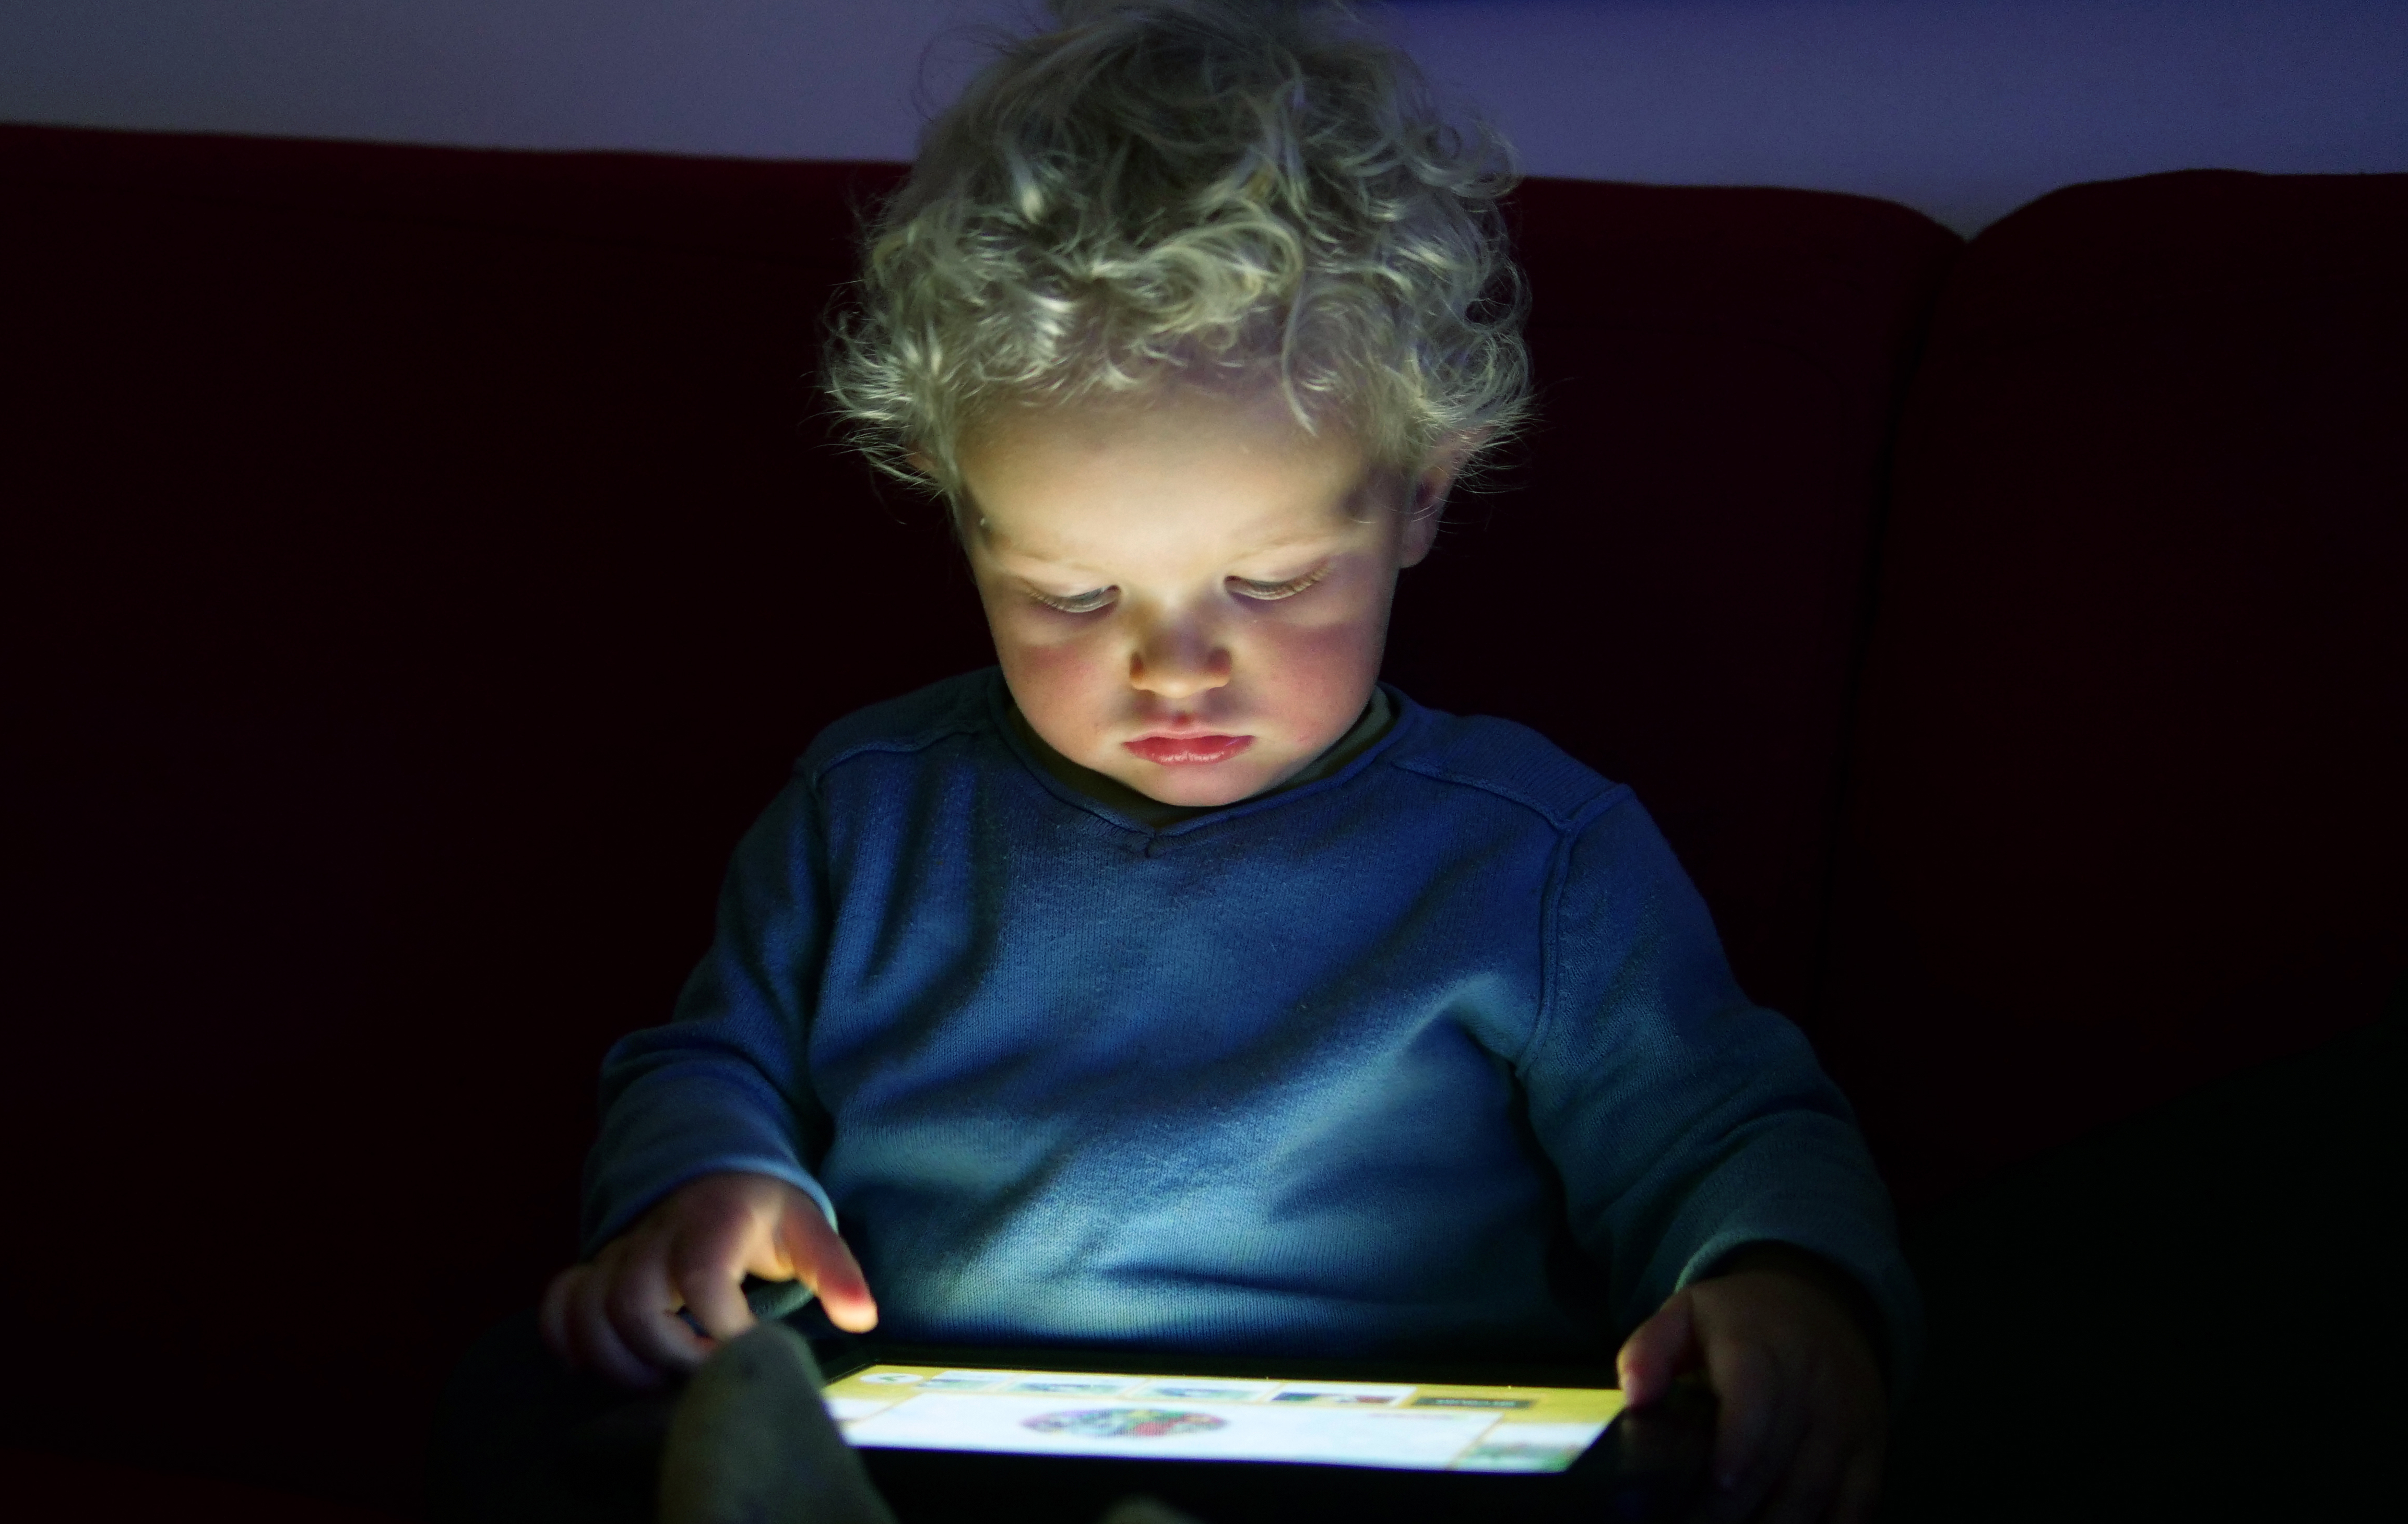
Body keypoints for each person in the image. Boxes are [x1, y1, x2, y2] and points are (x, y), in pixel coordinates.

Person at [522, 3, 1914, 1520]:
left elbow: (1725, 1131)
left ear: (1418, 501)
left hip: (1385, 1470)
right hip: (949, 1458)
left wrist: (1777, 1286)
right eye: (1070, 593)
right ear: (962, 513)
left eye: (1270, 586)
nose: (1174, 667)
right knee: (539, 1405)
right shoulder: (868, 811)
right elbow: (711, 1063)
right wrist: (711, 1195)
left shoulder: (1532, 855)